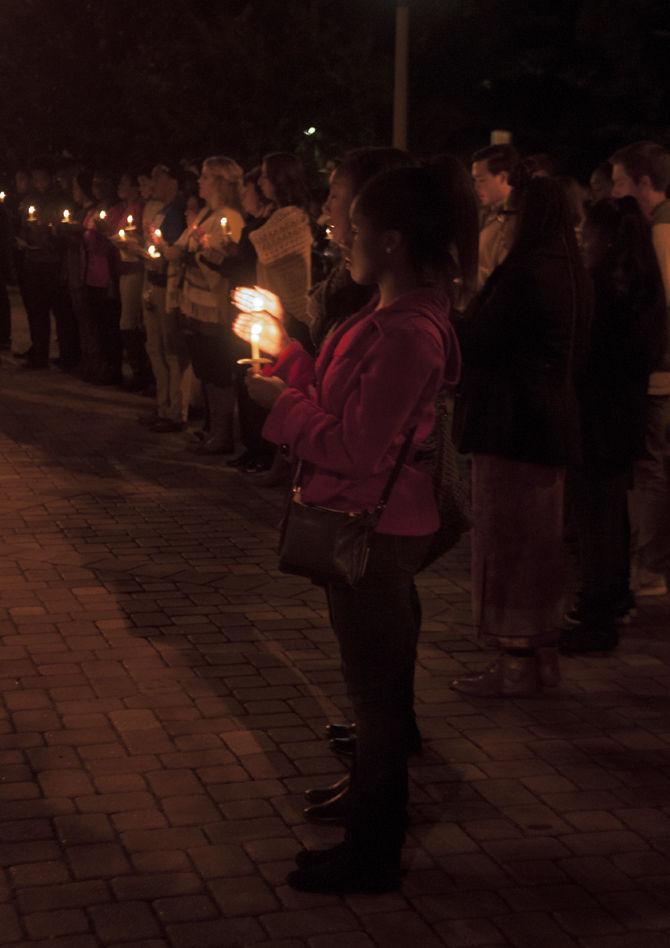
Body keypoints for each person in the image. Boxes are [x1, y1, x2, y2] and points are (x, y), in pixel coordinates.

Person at [234, 165, 476, 894]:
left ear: (394, 240)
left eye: (355, 225)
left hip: (376, 529)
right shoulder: (383, 317)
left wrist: (279, 406)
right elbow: (341, 402)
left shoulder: (409, 333)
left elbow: (355, 446)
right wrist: (286, 355)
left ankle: (374, 854)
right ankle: (367, 819)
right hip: (362, 520)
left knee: (376, 705)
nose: (341, 234)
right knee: (369, 693)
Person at [452, 176, 592, 697]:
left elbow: (482, 341)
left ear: (529, 217)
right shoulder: (571, 270)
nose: (502, 223)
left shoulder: (527, 273)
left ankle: (514, 660)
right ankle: (542, 656)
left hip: (512, 424)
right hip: (552, 421)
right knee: (541, 544)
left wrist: (448, 309)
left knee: (506, 542)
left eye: (510, 214)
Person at [561, 198, 666, 654]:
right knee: (611, 512)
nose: (584, 239)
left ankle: (598, 612)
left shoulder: (604, 288)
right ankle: (613, 597)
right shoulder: (644, 284)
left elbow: (589, 356)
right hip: (625, 411)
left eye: (589, 231)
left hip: (599, 414)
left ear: (605, 236)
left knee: (596, 516)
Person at [610, 141, 670, 598]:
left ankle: (648, 569)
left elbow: (658, 309)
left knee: (648, 469)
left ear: (644, 183)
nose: (613, 193)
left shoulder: (660, 236)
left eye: (619, 182)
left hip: (658, 375)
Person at [166, 156, 244, 454]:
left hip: (213, 306)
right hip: (195, 304)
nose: (199, 182)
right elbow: (183, 248)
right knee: (205, 368)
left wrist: (200, 252)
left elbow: (226, 261)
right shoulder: (205, 214)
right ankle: (212, 427)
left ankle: (222, 434)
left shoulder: (230, 218)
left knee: (217, 368)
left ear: (221, 183)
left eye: (206, 177)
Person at [140, 163, 188, 432]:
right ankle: (163, 405)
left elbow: (177, 252)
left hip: (167, 286)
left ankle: (175, 409)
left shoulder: (179, 211)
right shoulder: (162, 211)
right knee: (155, 346)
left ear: (173, 182)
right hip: (153, 280)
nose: (154, 184)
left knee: (171, 349)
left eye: (159, 178)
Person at [252, 153, 313, 350]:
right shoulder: (276, 214)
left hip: (294, 315)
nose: (259, 182)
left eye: (265, 176)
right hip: (280, 311)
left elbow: (258, 243)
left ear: (280, 179)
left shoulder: (292, 218)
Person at [16, 158, 70, 370]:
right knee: (36, 310)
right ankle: (39, 352)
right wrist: (23, 239)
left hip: (52, 261)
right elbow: (23, 226)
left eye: (42, 178)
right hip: (34, 260)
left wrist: (51, 231)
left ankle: (68, 355)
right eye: (36, 179)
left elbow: (64, 227)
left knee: (60, 310)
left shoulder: (59, 200)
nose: (39, 182)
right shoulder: (30, 199)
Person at [471, 143, 519, 287]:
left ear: (503, 177)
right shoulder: (484, 213)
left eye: (481, 180)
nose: (476, 186)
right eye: (474, 180)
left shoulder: (515, 219)